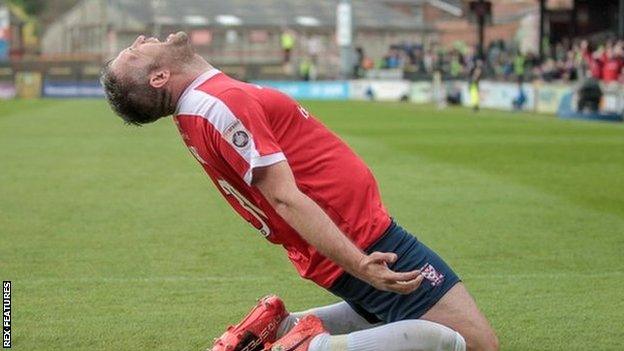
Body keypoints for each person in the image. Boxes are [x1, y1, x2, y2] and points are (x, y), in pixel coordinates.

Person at [100, 32, 499, 351]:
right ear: (158, 78)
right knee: (477, 344)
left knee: (388, 316)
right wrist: (359, 263)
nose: (138, 41)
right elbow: (283, 197)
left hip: (347, 235)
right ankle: (306, 347)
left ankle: (282, 329)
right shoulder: (220, 103)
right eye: (132, 53)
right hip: (358, 237)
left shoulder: (204, 104)